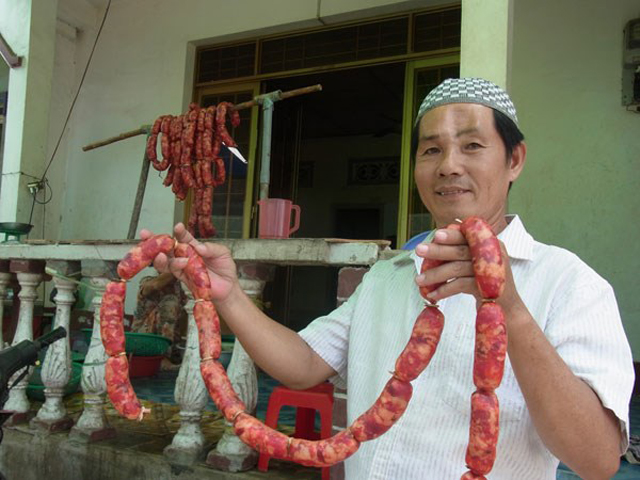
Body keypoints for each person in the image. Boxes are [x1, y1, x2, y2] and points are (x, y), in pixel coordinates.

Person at [146, 77, 634, 479]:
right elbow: (303, 363)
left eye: (472, 146)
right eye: (431, 150)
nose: (449, 166)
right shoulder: (389, 276)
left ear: (515, 160)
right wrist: (228, 295)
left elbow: (596, 460)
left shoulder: (569, 283)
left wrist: (510, 307)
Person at [130, 272, 186, 369]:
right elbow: (153, 286)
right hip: (144, 339)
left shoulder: (182, 286)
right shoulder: (148, 280)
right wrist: (176, 269)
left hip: (173, 342)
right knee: (170, 302)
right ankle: (163, 359)